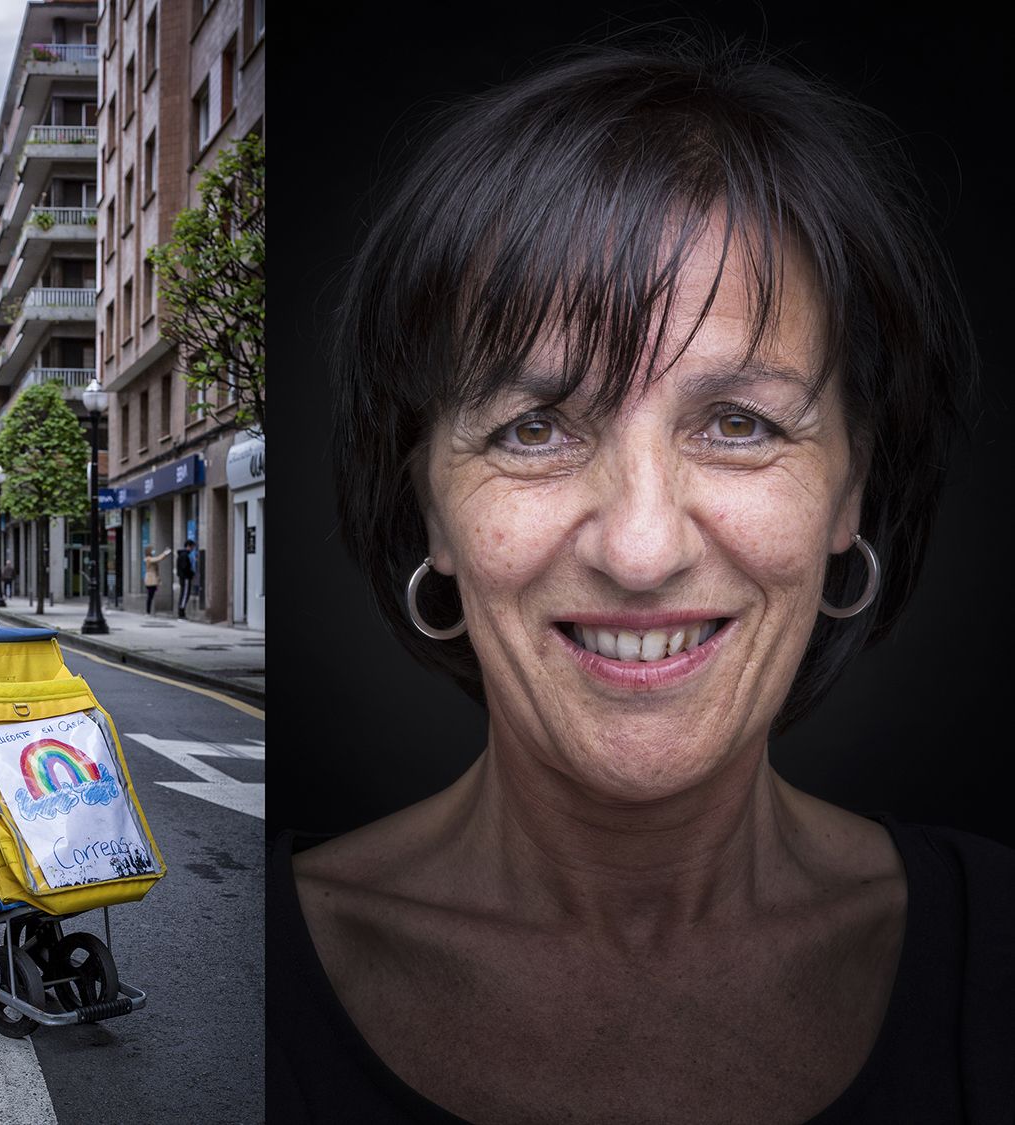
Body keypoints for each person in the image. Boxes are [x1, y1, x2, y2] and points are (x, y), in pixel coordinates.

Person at [272, 38, 1013, 1122]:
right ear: (427, 504)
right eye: (534, 429)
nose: (641, 547)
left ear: (851, 487)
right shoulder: (278, 965)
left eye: (737, 423)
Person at [142, 544, 171, 615]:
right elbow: (158, 559)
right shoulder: (148, 559)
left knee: (151, 595)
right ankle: (148, 611)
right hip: (150, 579)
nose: (153, 551)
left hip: (153, 578)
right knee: (150, 595)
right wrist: (165, 553)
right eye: (152, 550)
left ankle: (149, 611)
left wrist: (158, 579)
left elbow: (157, 569)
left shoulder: (151, 558)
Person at [175, 539, 195, 618]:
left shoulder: (183, 555)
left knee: (184, 594)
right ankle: (181, 612)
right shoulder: (185, 555)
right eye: (192, 547)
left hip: (184, 577)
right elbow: (185, 567)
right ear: (188, 546)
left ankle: (181, 611)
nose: (193, 549)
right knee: (185, 594)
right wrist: (191, 573)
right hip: (185, 577)